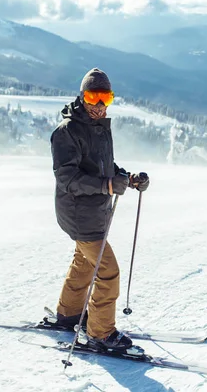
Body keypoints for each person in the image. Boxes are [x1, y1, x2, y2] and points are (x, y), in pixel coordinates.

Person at [50, 68, 150, 351]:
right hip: (79, 213)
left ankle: (68, 314)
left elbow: (104, 167)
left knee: (85, 262)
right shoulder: (67, 132)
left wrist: (127, 179)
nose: (99, 105)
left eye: (105, 98)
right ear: (83, 97)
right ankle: (100, 332)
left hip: (94, 211)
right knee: (107, 271)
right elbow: (66, 178)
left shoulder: (99, 128)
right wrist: (107, 185)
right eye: (93, 96)